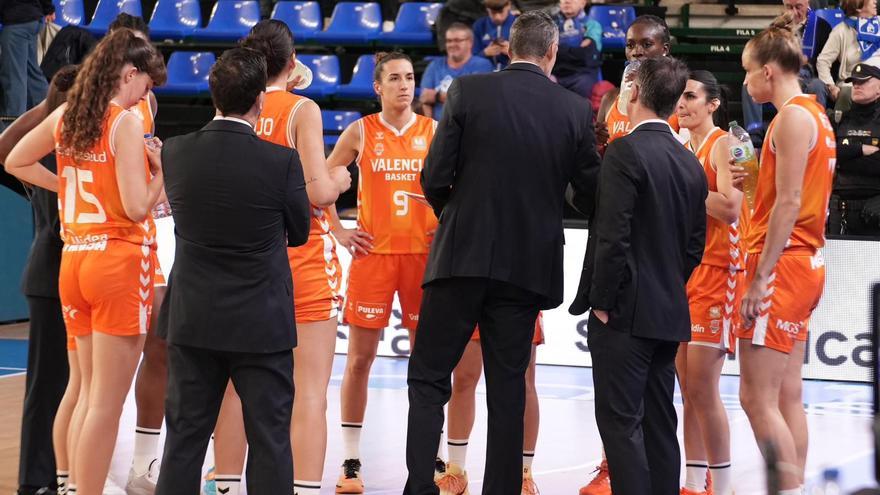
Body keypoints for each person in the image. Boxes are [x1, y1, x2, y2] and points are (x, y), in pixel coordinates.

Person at [406, 11, 600, 495]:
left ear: (510, 47)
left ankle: (419, 488)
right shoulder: (574, 110)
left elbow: (433, 176)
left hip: (459, 258)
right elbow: (590, 195)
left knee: (430, 377)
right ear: (552, 52)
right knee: (509, 388)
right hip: (526, 268)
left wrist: (458, 215)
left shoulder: (468, 91)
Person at [4, 28, 167, 495]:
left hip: (74, 262)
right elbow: (138, 206)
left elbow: (15, 159)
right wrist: (163, 174)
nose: (147, 93)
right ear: (129, 74)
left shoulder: (69, 115)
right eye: (146, 83)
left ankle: (71, 484)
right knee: (104, 403)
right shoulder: (124, 121)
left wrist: (68, 188)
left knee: (81, 391)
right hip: (117, 261)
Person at [153, 47, 311, 495]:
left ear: (212, 95)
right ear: (260, 100)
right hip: (262, 323)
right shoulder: (281, 161)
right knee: (270, 440)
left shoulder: (177, 153)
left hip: (193, 320)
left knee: (183, 441)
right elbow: (298, 232)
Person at [203, 20, 351, 495]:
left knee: (233, 387)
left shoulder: (229, 104)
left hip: (242, 262)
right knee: (308, 392)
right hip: (301, 259)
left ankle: (223, 485)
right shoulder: (300, 108)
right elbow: (317, 190)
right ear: (292, 63)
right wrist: (342, 179)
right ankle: (304, 489)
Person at [569, 56, 708, 495]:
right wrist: (666, 282)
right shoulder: (690, 161)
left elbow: (613, 235)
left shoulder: (625, 151)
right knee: (660, 419)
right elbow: (694, 246)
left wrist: (603, 302)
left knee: (621, 421)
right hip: (668, 308)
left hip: (625, 312)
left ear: (635, 94)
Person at [326, 50, 438, 494]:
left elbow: (458, 185)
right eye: (394, 78)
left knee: (426, 365)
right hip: (374, 256)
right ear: (378, 87)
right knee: (359, 361)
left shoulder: (433, 130)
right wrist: (338, 229)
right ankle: (351, 461)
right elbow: (327, 173)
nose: (404, 85)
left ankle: (429, 454)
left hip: (421, 258)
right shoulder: (360, 130)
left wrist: (445, 227)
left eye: (409, 77)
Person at [737, 14, 837, 495]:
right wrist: (754, 180)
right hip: (807, 263)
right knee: (787, 395)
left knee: (757, 399)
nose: (745, 80)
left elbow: (792, 203)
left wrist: (760, 278)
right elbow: (785, 195)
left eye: (747, 70)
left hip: (784, 265)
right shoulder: (815, 113)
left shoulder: (791, 117)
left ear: (769, 72)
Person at [579, 17, 679, 493]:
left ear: (666, 46)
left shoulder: (673, 101)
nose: (636, 52)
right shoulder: (613, 100)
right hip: (636, 258)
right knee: (638, 401)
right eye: (630, 45)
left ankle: (699, 476)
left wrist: (603, 295)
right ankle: (611, 466)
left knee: (653, 403)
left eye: (647, 44)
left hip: (648, 257)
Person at [0, 65, 77, 495]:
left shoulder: (70, 146)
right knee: (47, 386)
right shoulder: (49, 151)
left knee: (68, 385)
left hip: (66, 276)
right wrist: (47, 107)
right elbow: (3, 148)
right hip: (51, 275)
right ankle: (35, 479)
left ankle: (63, 474)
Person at [675, 70, 746, 495]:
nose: (681, 105)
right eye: (679, 98)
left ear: (713, 103)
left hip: (720, 272)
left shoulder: (729, 142)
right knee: (688, 389)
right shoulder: (686, 147)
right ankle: (690, 481)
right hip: (687, 272)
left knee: (702, 387)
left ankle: (722, 486)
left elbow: (731, 208)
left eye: (690, 96)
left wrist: (681, 185)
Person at [434, 319, 544, 495]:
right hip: (475, 297)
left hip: (519, 297)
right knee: (463, 377)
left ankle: (524, 476)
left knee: (523, 382)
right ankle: (456, 473)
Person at [741, 0, 833, 137]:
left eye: (798, 7)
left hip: (810, 75)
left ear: (807, 3)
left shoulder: (821, 26)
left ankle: (816, 130)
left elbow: (826, 58)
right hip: (781, 72)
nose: (793, 12)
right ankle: (754, 133)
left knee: (817, 86)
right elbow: (766, 54)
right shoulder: (777, 26)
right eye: (789, 7)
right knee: (750, 84)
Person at [829, 57, 880, 236]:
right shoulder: (838, 119)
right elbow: (825, 154)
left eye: (864, 82)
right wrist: (860, 150)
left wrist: (844, 157)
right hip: (840, 210)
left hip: (875, 211)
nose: (857, 85)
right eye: (854, 82)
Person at [0, 0, 54, 131]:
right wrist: (48, 9)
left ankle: (11, 130)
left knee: (14, 78)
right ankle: (51, 116)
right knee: (32, 74)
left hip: (17, 22)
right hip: (32, 19)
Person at [420, 23, 493, 119]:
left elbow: (473, 101)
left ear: (470, 43)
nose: (452, 45)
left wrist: (437, 96)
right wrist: (430, 128)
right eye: (449, 41)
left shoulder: (482, 65)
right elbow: (425, 99)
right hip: (437, 128)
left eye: (457, 40)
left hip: (469, 127)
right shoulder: (435, 65)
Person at [817, 0, 878, 111]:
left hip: (877, 82)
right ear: (858, 6)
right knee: (845, 93)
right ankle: (840, 126)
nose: (875, 1)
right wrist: (831, 86)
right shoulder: (841, 31)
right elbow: (823, 61)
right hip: (852, 84)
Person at [551, 0, 603, 99]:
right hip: (555, 74)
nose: (567, 1)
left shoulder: (593, 25)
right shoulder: (550, 25)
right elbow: (545, 51)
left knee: (583, 85)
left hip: (581, 75)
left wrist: (559, 50)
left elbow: (585, 53)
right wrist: (575, 50)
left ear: (583, 3)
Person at [472, 0, 516, 70]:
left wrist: (513, 52)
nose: (497, 17)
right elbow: (470, 59)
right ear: (487, 9)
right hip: (485, 74)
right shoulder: (479, 25)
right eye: (493, 13)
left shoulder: (520, 24)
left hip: (512, 73)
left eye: (501, 12)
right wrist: (485, 53)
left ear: (509, 5)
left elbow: (531, 58)